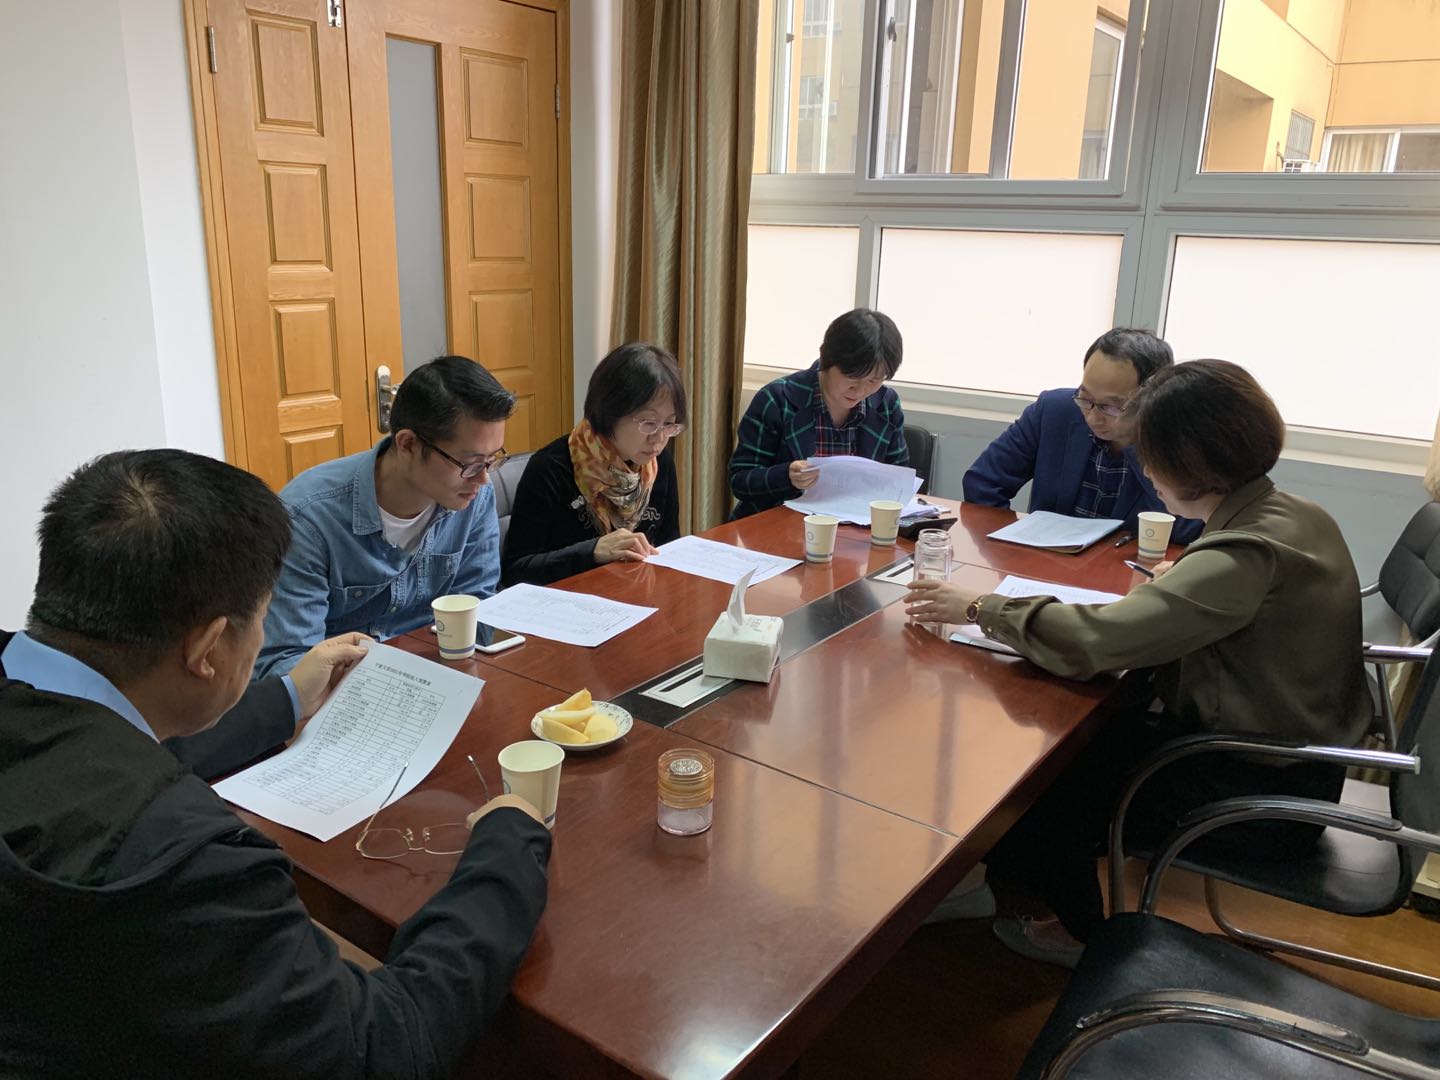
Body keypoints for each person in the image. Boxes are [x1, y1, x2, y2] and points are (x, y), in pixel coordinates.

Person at [0, 449, 551, 1078]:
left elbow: (111, 739)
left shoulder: (45, 714)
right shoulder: (188, 861)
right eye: (261, 618)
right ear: (208, 648)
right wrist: (509, 851)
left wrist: (287, 698)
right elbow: (381, 1049)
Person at [907, 360, 1370, 966]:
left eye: (1151, 456)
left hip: (1254, 790)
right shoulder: (1294, 513)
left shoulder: (1243, 555)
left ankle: (1085, 938)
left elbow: (1097, 641)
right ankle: (982, 882)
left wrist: (979, 607)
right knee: (1066, 742)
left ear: (1189, 462)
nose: (1145, 469)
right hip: (1290, 756)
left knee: (1034, 785)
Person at [257, 355, 514, 679]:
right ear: (408, 444)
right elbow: (285, 664)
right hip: (339, 694)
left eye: (492, 460)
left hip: (433, 680)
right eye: (471, 463)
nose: (484, 479)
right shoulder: (308, 518)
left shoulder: (473, 496)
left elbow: (476, 611)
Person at [962, 328, 1203, 545]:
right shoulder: (1054, 411)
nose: (1093, 418)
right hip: (1047, 561)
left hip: (1128, 570)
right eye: (1085, 398)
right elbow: (983, 482)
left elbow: (1187, 528)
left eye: (1111, 406)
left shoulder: (1178, 437)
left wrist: (1143, 441)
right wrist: (1011, 546)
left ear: (1153, 396)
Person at [502, 343, 685, 586]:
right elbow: (515, 571)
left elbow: (668, 547)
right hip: (568, 602)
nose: (659, 439)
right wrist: (592, 551)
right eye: (649, 423)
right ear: (610, 411)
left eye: (669, 424)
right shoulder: (550, 469)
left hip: (636, 596)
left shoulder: (659, 464)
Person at [728, 308, 908, 518]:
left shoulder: (886, 405)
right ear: (826, 360)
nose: (860, 390)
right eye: (852, 377)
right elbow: (740, 480)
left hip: (853, 527)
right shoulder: (777, 400)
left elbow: (898, 480)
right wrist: (787, 476)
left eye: (874, 380)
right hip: (778, 525)